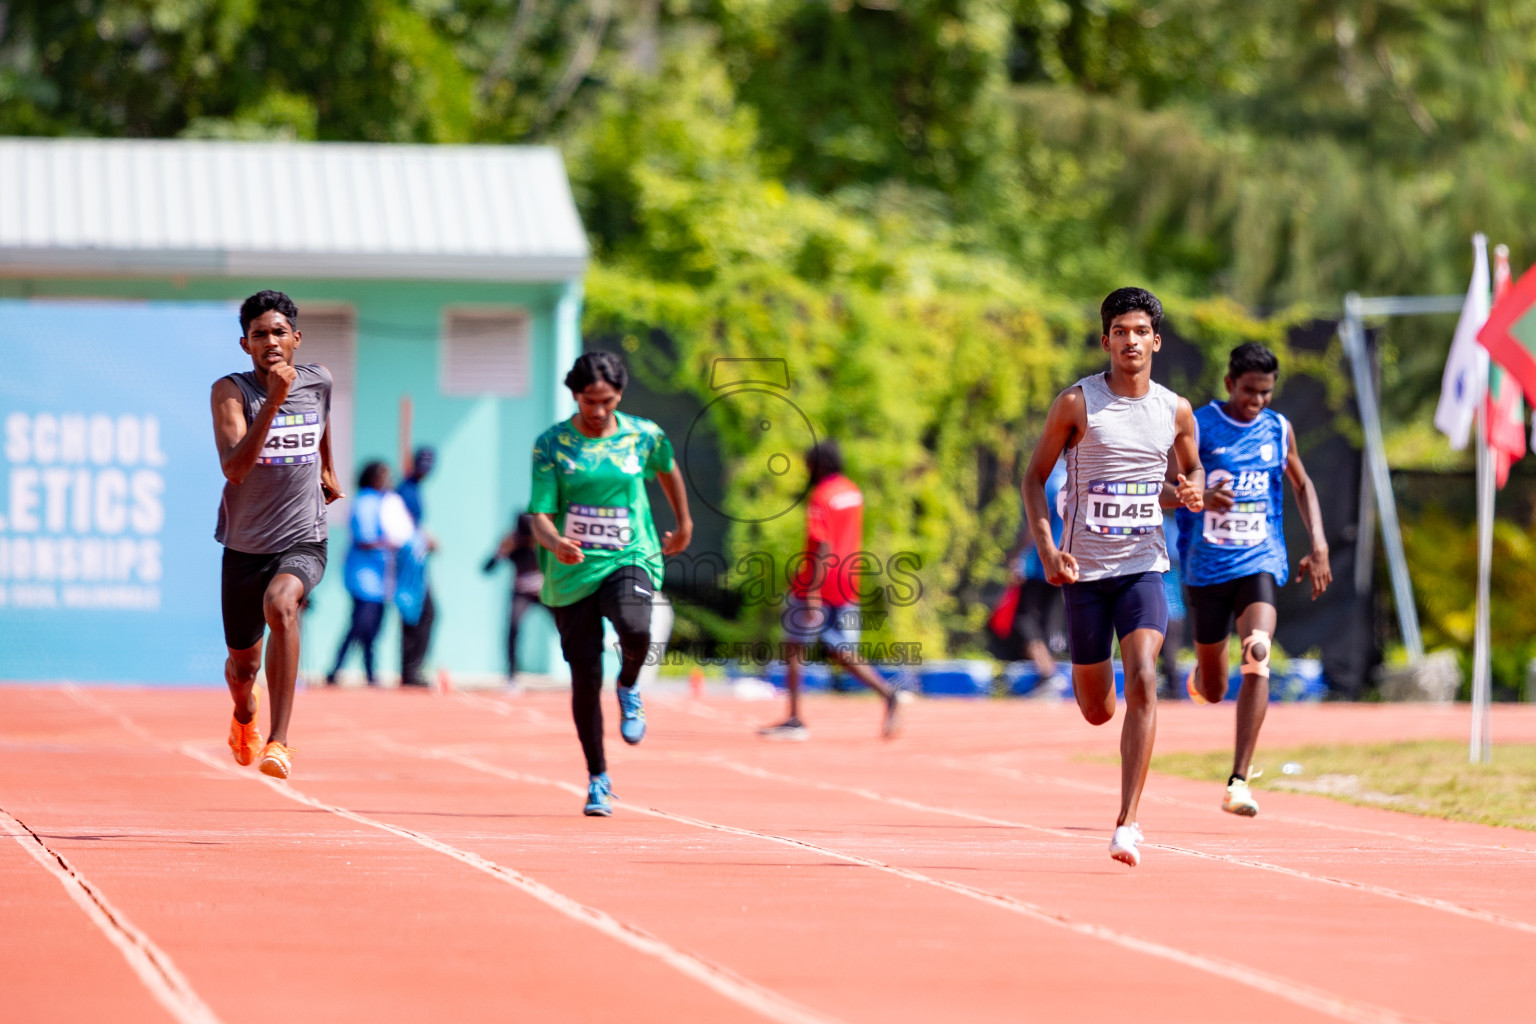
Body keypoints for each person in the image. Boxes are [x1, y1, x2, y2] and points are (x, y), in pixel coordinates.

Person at [1023, 287, 1203, 868]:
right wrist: (1049, 551)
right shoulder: (1077, 404)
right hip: (1085, 574)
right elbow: (1033, 481)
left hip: (1143, 567)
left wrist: (1193, 490)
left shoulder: (1175, 410)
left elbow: (1184, 476)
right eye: (1119, 331)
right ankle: (1105, 727)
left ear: (1156, 341)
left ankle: (1128, 822)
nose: (1129, 341)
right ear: (1106, 340)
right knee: (1098, 709)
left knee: (1145, 678)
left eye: (1139, 331)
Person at [528, 351, 692, 817]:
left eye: (607, 400)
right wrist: (555, 540)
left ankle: (629, 685)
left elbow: (668, 469)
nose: (598, 411)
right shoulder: (552, 445)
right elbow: (538, 513)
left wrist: (683, 525)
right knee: (584, 677)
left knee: (637, 628)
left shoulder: (643, 435)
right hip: (573, 567)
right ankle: (598, 777)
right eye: (588, 401)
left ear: (619, 395)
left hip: (629, 553)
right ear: (575, 395)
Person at [1177, 341, 1332, 816]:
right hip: (1205, 568)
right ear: (1229, 384)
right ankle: (1202, 677)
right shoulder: (1199, 425)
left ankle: (1238, 781)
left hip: (1259, 559)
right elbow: (1170, 484)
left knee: (1258, 654)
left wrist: (1319, 543)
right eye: (1248, 391)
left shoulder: (1277, 428)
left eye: (1265, 393)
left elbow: (1302, 483)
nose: (1257, 401)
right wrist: (1199, 493)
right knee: (1216, 688)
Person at [211, 290, 343, 780]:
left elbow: (321, 419)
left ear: (296, 339)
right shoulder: (231, 392)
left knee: (283, 603)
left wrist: (328, 468)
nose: (270, 341)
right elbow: (236, 468)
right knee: (242, 670)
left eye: (279, 332)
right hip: (244, 544)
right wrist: (274, 403)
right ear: (245, 344)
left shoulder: (319, 379)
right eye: (259, 334)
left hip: (303, 535)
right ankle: (245, 713)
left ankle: (279, 741)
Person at [758, 440, 902, 741]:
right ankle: (888, 694)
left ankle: (796, 719)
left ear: (819, 465)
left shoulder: (821, 496)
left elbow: (822, 543)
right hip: (847, 580)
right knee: (843, 652)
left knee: (794, 647)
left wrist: (811, 590)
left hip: (817, 581)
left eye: (808, 465)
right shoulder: (853, 492)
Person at [327, 461, 405, 687]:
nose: (388, 481)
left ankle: (370, 673)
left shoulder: (384, 502)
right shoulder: (364, 502)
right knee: (359, 626)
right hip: (364, 579)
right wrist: (391, 544)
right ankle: (336, 670)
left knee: (371, 630)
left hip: (380, 580)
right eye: (384, 476)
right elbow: (363, 540)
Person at [1004, 457, 1070, 698]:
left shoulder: (1045, 480)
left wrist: (1017, 556)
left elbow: (1034, 522)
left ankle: (1048, 673)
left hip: (1038, 562)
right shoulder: (1072, 479)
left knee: (1023, 620)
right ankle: (1049, 675)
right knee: (1045, 622)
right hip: (1064, 560)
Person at [483, 511, 546, 686]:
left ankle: (577, 669)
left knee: (567, 626)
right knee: (513, 626)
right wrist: (500, 552)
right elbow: (486, 569)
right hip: (521, 593)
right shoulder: (512, 542)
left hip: (544, 591)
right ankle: (511, 675)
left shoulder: (542, 539)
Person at [396, 446, 437, 687]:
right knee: (419, 611)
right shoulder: (405, 490)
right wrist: (424, 538)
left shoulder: (414, 489)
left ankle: (412, 668)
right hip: (408, 563)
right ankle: (411, 669)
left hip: (417, 561)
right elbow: (404, 525)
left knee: (422, 612)